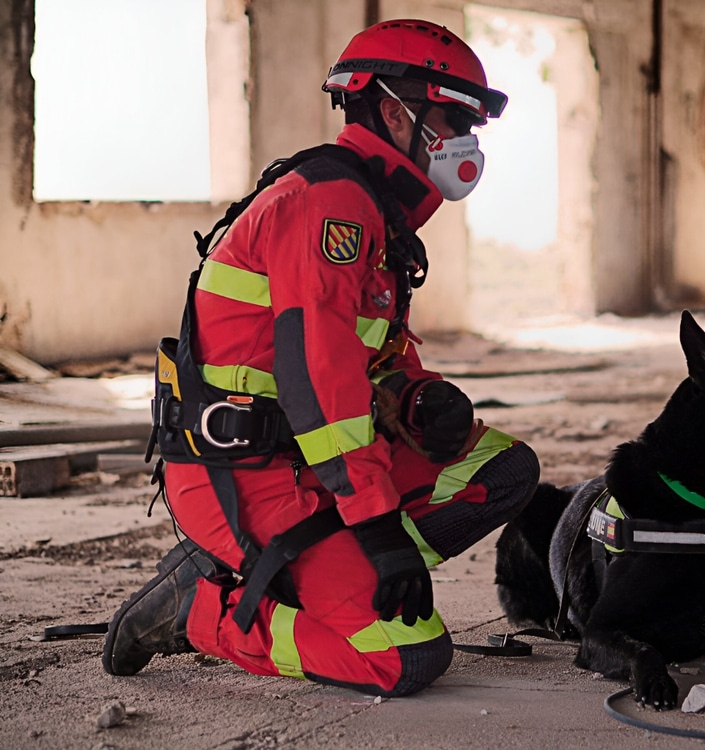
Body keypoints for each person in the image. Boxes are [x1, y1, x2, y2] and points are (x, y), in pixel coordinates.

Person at [102, 18, 539, 698]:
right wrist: (382, 529)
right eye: (453, 119)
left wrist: (418, 399)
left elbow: (373, 364)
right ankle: (207, 614)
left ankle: (315, 573)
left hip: (311, 463)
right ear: (395, 113)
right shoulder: (330, 205)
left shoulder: (375, 213)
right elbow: (318, 382)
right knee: (408, 657)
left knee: (504, 471)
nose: (466, 142)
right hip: (249, 478)